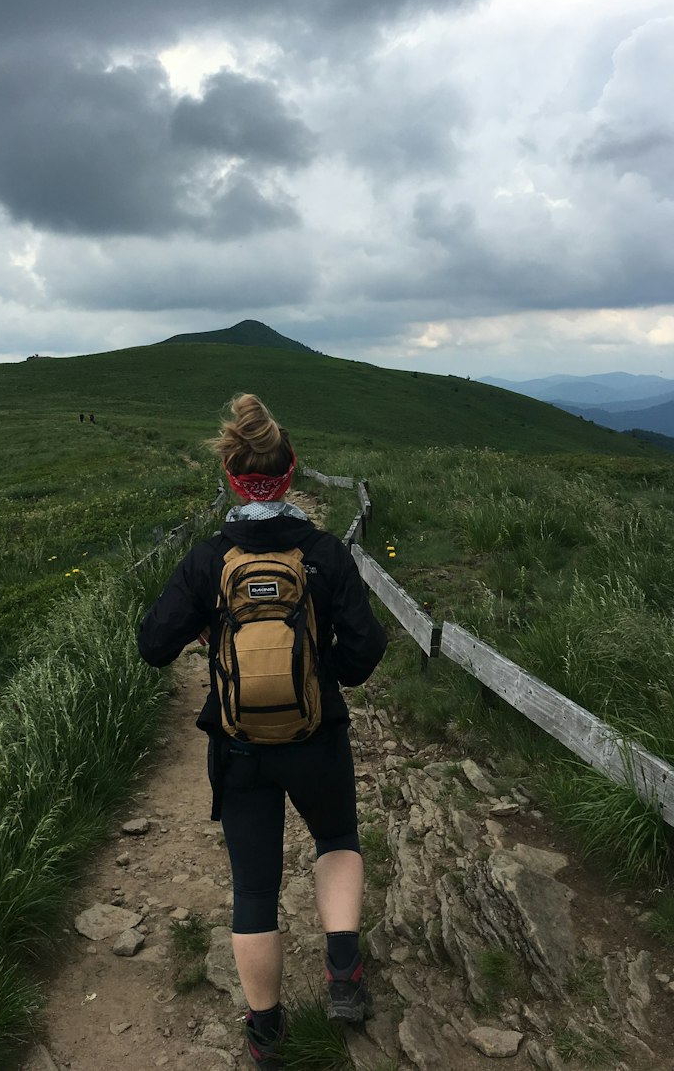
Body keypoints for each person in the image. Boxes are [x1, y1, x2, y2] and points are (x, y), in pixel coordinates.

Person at [137, 393, 387, 1069]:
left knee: (254, 888)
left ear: (231, 474)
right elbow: (367, 648)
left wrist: (207, 637)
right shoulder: (325, 553)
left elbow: (151, 644)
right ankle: (342, 975)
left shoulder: (209, 557)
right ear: (291, 470)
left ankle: (266, 1034)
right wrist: (319, 673)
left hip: (239, 746)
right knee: (336, 837)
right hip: (316, 737)